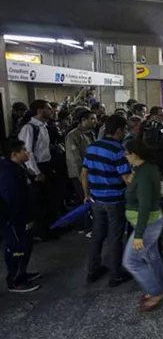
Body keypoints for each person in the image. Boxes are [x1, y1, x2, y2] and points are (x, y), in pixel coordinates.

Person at [82, 114, 133, 287]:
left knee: (97, 236)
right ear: (119, 130)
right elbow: (126, 177)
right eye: (124, 129)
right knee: (115, 237)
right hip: (114, 200)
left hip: (96, 199)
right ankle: (115, 274)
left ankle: (93, 271)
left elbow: (84, 172)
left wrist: (86, 194)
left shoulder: (92, 147)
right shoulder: (117, 149)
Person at [121, 139, 163, 311]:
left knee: (131, 261)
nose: (125, 157)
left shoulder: (144, 174)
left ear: (134, 154)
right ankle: (159, 285)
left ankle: (156, 291)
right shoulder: (145, 168)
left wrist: (139, 234)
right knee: (152, 256)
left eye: (126, 154)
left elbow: (145, 205)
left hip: (147, 224)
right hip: (150, 221)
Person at [0, 139, 41, 293]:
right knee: (16, 248)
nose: (27, 152)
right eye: (23, 150)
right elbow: (12, 199)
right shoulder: (8, 172)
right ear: (14, 154)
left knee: (25, 246)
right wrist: (21, 219)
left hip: (24, 216)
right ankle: (14, 281)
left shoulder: (18, 167)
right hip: (14, 220)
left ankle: (22, 273)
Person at [18, 100, 56, 240]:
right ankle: (39, 233)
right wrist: (36, 172)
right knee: (38, 202)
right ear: (40, 111)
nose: (51, 111)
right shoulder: (29, 128)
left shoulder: (43, 126)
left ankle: (47, 228)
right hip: (36, 168)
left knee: (47, 200)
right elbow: (27, 152)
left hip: (46, 165)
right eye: (48, 108)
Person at [65, 109, 97, 234]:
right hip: (80, 173)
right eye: (92, 119)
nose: (95, 121)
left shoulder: (90, 133)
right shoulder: (73, 136)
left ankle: (83, 226)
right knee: (85, 199)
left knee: (83, 199)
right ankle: (87, 228)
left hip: (90, 171)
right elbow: (74, 158)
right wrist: (80, 175)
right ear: (83, 120)